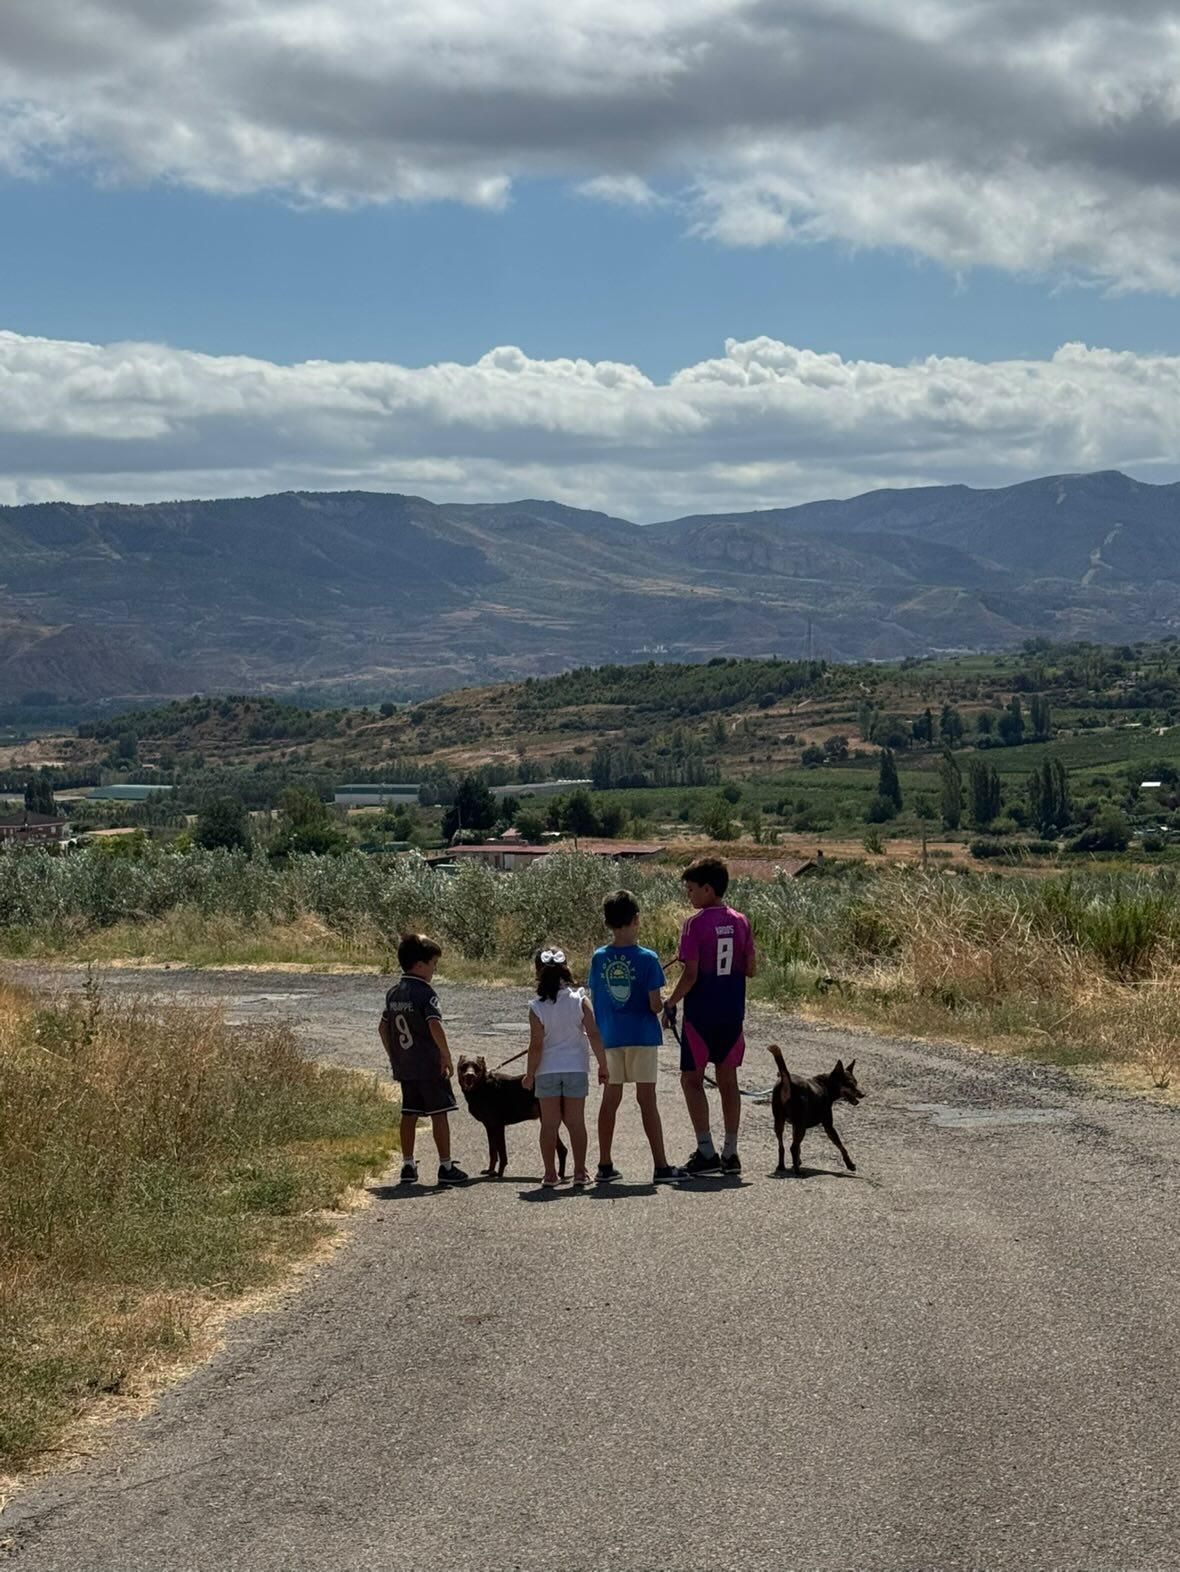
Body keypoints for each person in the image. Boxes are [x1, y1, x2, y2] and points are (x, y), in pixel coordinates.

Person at [662, 857, 756, 1176]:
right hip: (732, 1013)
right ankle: (731, 1152)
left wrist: (670, 1002)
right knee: (729, 1081)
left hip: (700, 1016)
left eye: (690, 890)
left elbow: (690, 975)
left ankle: (706, 1151)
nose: (688, 896)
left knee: (691, 1079)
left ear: (707, 889)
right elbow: (752, 968)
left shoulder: (694, 924)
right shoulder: (742, 921)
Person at [588, 890, 685, 1185]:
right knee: (647, 1100)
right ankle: (660, 1165)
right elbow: (655, 1004)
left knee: (610, 1100)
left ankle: (604, 1164)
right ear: (636, 920)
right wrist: (667, 1004)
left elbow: (597, 995)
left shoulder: (599, 957)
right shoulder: (648, 959)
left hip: (611, 1037)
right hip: (642, 1036)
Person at [379, 932, 468, 1187]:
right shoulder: (426, 993)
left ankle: (408, 1164)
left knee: (409, 1113)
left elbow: (383, 1028)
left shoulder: (393, 993)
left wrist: (393, 1054)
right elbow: (434, 1024)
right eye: (433, 965)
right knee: (439, 1113)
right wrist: (446, 1055)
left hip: (405, 1064)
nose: (434, 971)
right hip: (429, 1064)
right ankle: (446, 1165)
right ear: (420, 965)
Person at [522, 946, 607, 1187]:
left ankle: (550, 1173)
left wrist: (530, 1074)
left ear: (538, 973)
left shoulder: (537, 1007)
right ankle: (579, 1171)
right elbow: (594, 1034)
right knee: (575, 1122)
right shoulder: (579, 1000)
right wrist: (603, 1064)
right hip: (575, 1069)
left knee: (550, 1124)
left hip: (547, 1070)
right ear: (566, 969)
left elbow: (536, 1046)